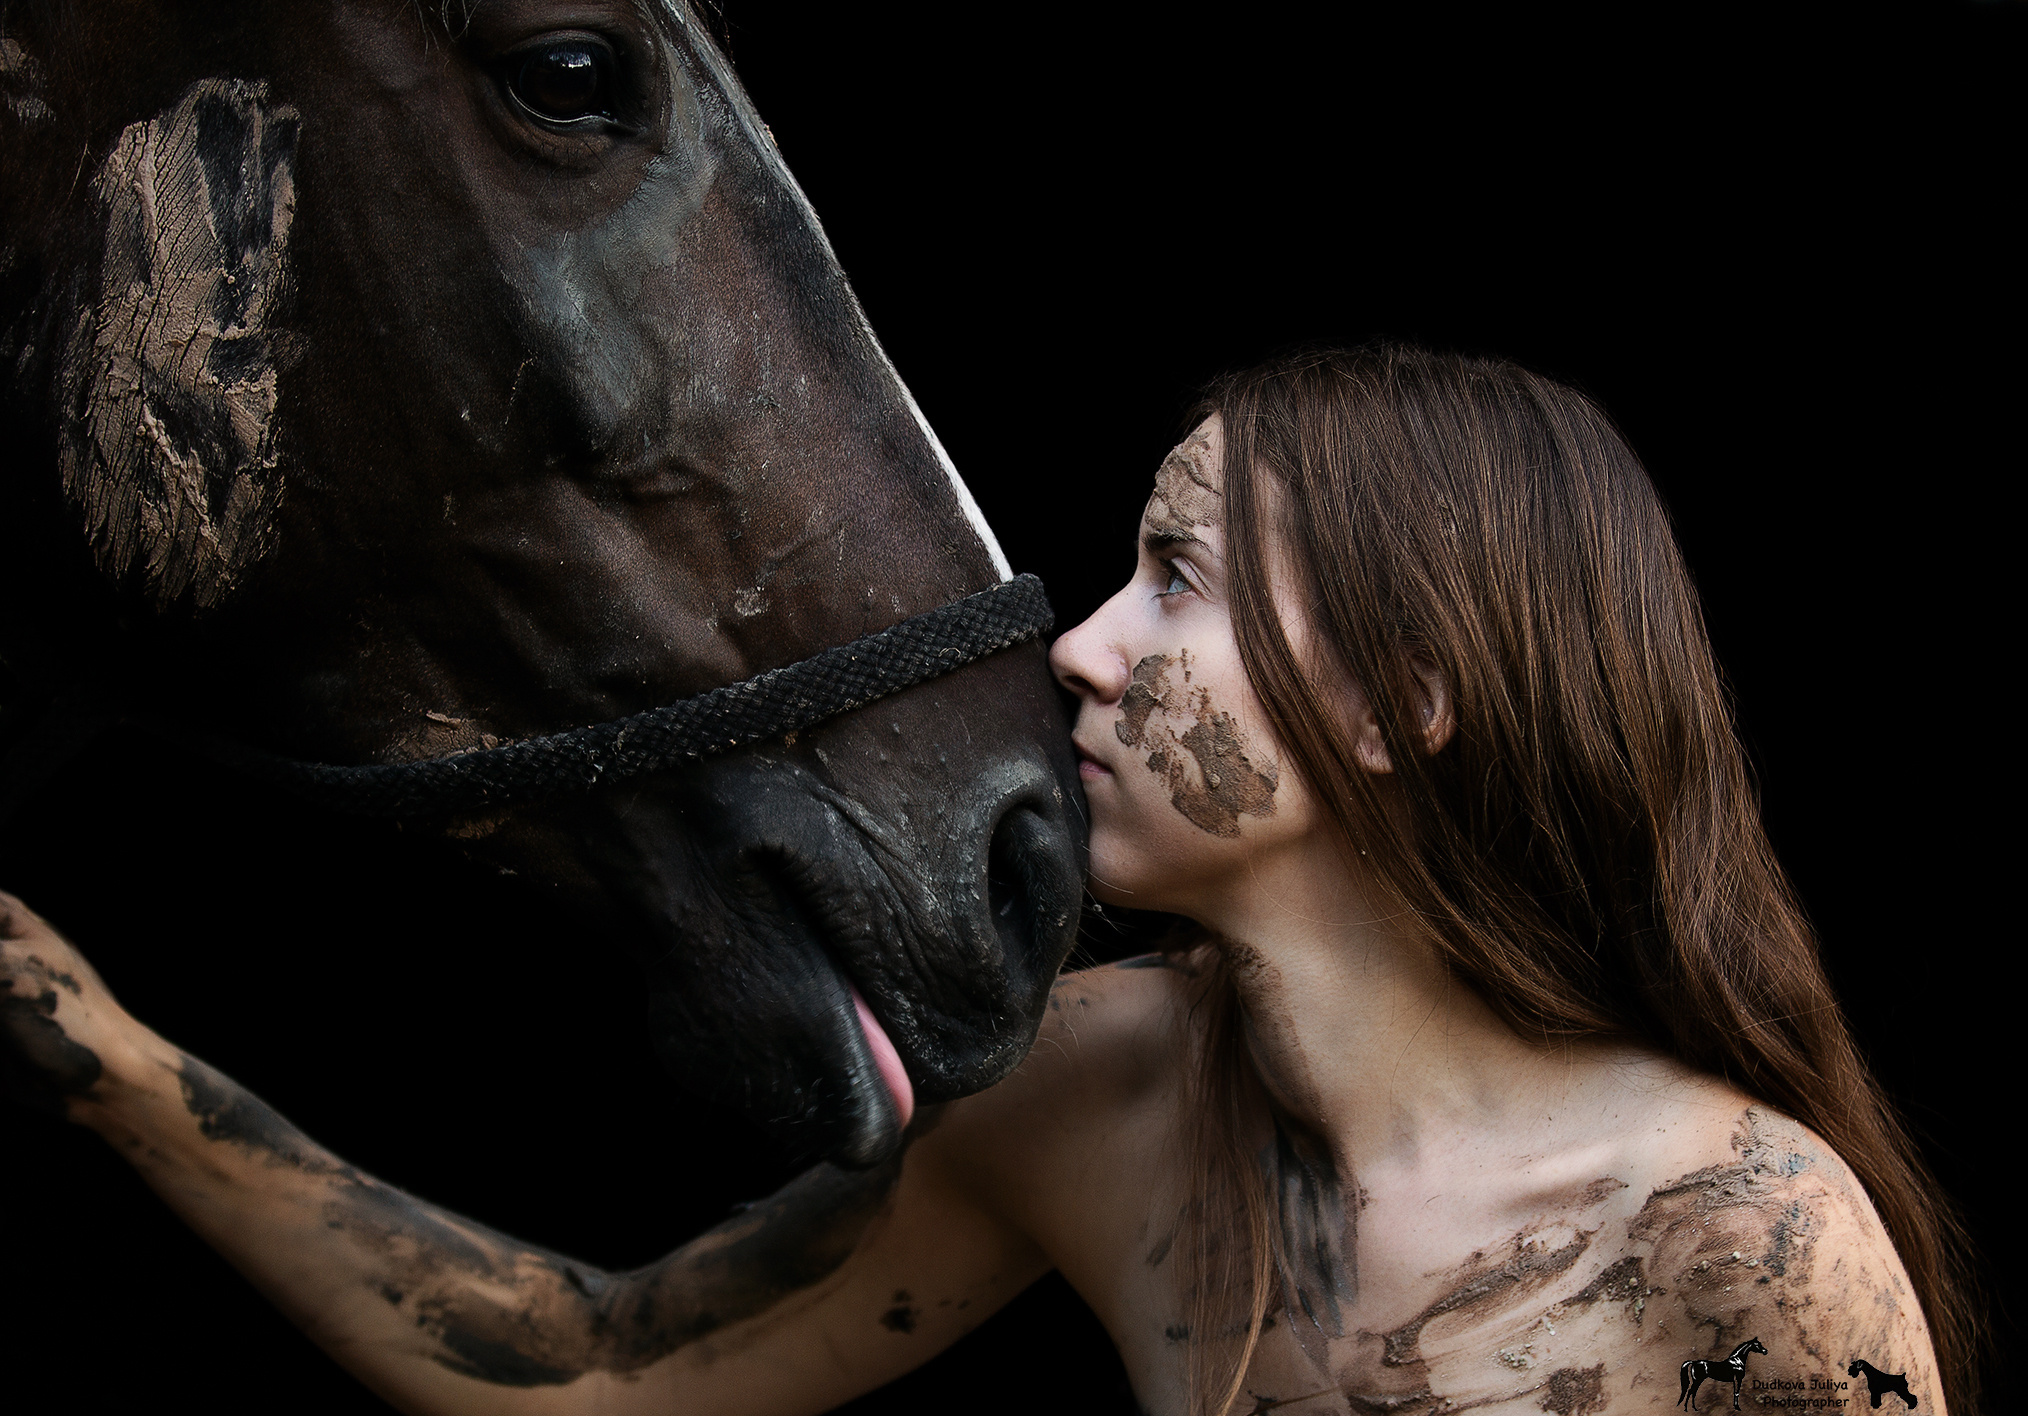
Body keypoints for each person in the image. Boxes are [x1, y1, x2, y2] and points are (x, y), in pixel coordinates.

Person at [0, 345, 1974, 1415]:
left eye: (1175, 579)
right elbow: (595, 1371)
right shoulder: (1091, 1087)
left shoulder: (1736, 1247)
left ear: (1398, 709)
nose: (1083, 647)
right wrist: (101, 1054)